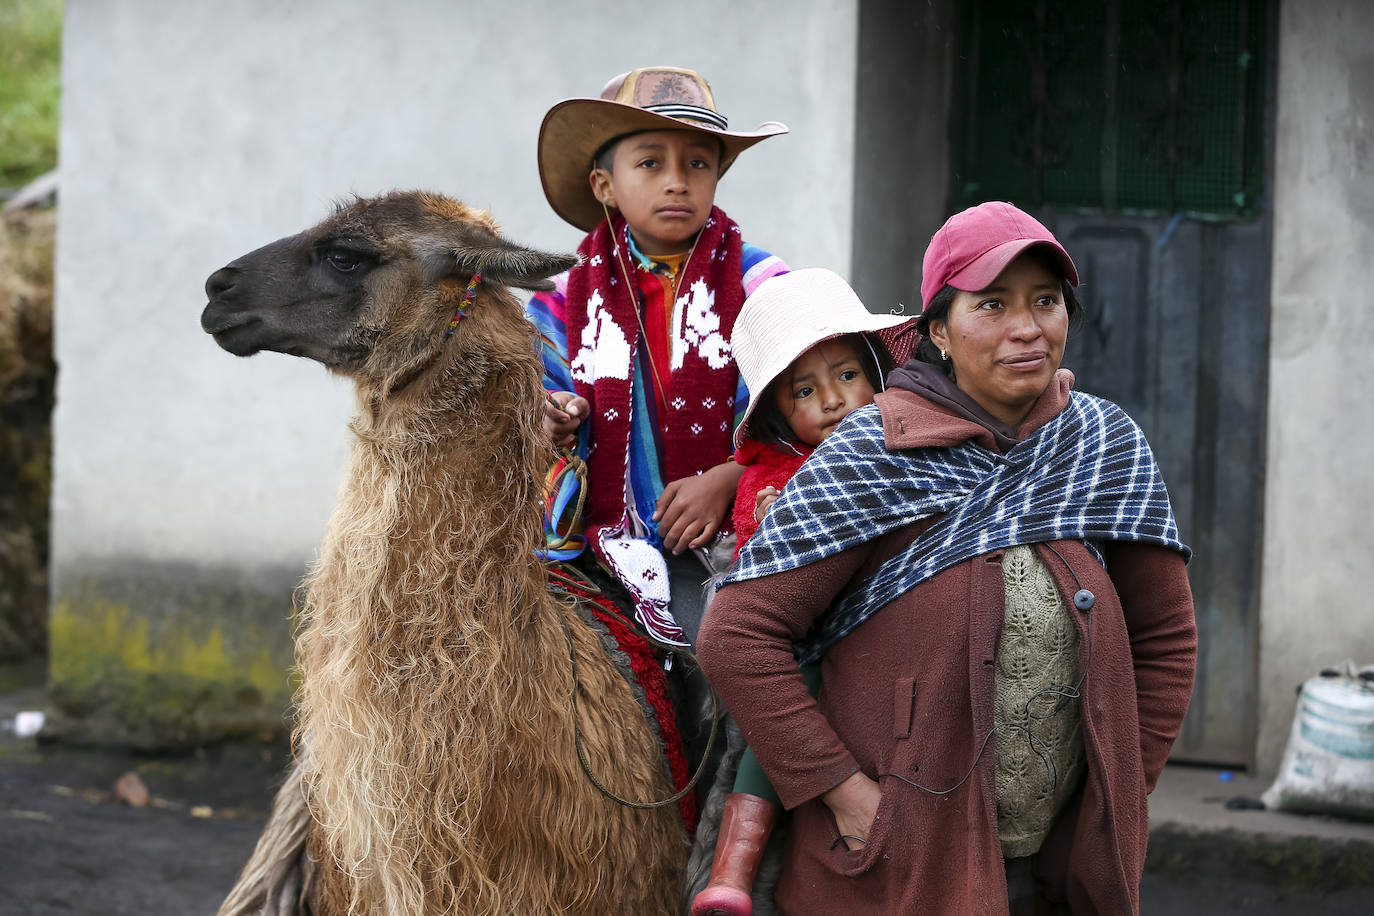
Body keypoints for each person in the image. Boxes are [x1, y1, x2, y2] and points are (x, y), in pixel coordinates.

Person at [697, 201, 1197, 914]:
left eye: (1046, 302)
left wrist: (1122, 791)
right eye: (992, 305)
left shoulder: (1102, 447)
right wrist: (846, 795)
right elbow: (739, 638)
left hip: (1057, 865)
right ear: (938, 331)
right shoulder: (871, 453)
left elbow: (1166, 640)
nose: (1027, 327)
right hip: (894, 867)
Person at [527, 66, 789, 649]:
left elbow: (815, 404)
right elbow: (528, 399)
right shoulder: (562, 299)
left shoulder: (762, 284)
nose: (677, 181)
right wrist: (550, 413)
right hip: (595, 534)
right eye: (650, 163)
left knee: (731, 655)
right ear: (604, 185)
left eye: (698, 163)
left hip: (736, 537)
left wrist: (732, 478)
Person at [691, 268, 904, 916]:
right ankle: (734, 865)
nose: (835, 400)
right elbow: (764, 572)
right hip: (811, 634)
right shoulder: (776, 478)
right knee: (790, 694)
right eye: (806, 391)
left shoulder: (913, 448)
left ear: (876, 373)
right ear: (782, 416)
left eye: (846, 376)